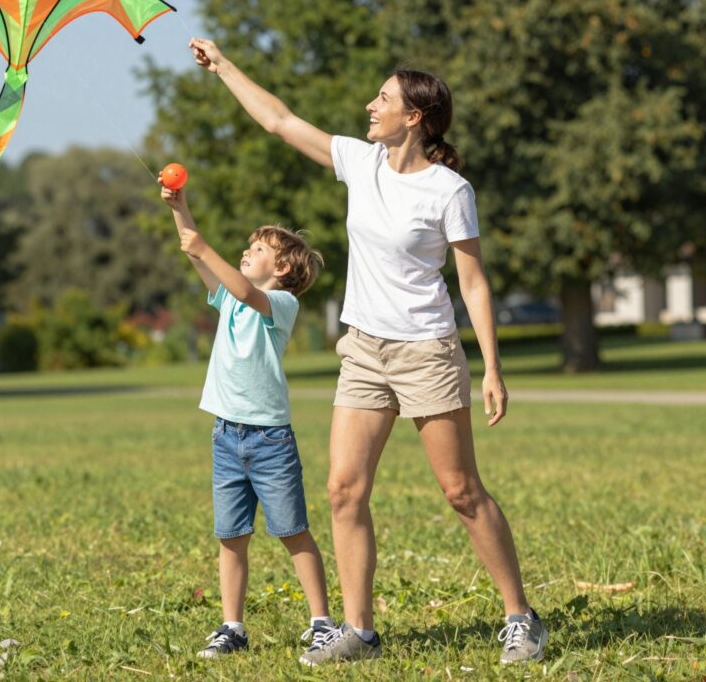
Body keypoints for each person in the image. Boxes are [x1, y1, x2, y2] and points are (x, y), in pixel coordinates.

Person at [187, 37, 547, 667]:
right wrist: (222, 67)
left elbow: (473, 282)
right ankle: (359, 630)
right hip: (363, 349)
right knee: (343, 491)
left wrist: (491, 366)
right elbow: (278, 120)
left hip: (426, 351)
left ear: (414, 117)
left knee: (461, 490)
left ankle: (521, 617)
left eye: (382, 98)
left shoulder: (448, 190)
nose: (368, 105)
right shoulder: (360, 161)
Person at [160, 180, 338, 659]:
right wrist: (182, 210)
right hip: (226, 437)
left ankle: (322, 622)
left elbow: (237, 284)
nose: (245, 251)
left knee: (292, 531)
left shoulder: (280, 304)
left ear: (280, 268)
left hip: (270, 442)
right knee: (231, 536)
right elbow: (200, 261)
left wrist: (204, 246)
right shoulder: (232, 299)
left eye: (256, 249)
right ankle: (232, 626)